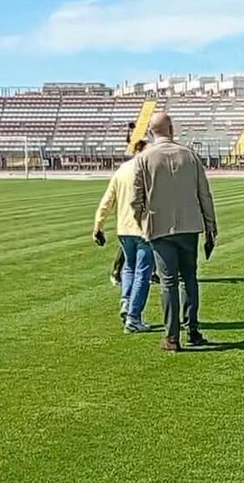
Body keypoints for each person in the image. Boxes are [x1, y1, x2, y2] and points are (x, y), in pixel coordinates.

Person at [131, 112, 217, 351]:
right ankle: (193, 330)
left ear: (151, 132)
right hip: (189, 226)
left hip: (160, 227)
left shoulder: (144, 159)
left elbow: (135, 200)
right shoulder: (190, 156)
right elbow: (205, 195)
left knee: (168, 281)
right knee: (189, 278)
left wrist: (141, 223)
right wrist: (211, 226)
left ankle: (172, 336)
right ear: (171, 129)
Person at [94, 139, 154, 332]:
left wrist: (98, 226)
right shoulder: (149, 171)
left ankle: (126, 302)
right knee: (142, 273)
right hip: (144, 229)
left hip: (124, 229)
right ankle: (133, 318)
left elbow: (107, 200)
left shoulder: (121, 170)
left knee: (129, 268)